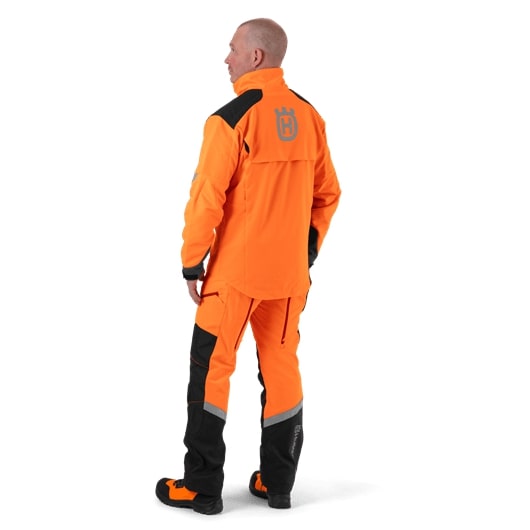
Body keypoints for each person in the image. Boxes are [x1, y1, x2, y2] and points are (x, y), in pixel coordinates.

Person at [155, 17, 341, 515]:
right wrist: (305, 252)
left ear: (256, 56)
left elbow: (206, 199)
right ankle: (278, 484)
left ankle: (202, 487)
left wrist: (192, 263)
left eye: (233, 49)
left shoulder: (229, 119)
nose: (227, 58)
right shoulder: (309, 116)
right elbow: (328, 194)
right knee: (281, 369)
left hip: (234, 277)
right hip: (289, 278)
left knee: (210, 371)